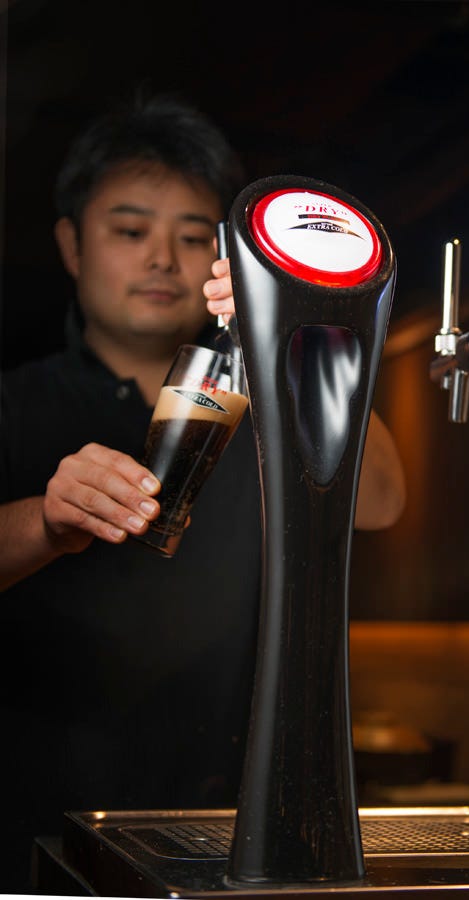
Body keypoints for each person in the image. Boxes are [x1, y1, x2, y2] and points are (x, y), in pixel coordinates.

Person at [0, 92, 406, 893]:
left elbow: (384, 500)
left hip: (220, 835)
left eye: (193, 238)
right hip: (35, 825)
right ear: (71, 244)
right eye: (130, 231)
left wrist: (295, 326)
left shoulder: (263, 396)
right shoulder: (16, 403)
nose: (163, 260)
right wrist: (46, 521)